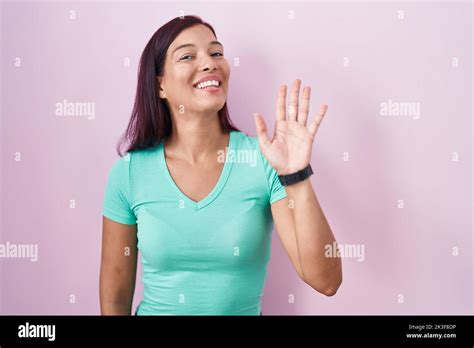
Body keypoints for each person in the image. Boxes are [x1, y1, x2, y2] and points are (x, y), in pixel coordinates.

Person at [99, 15, 342, 316]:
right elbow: (115, 298)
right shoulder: (129, 173)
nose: (210, 63)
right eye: (188, 56)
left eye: (216, 53)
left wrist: (297, 176)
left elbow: (326, 281)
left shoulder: (264, 160)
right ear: (159, 84)